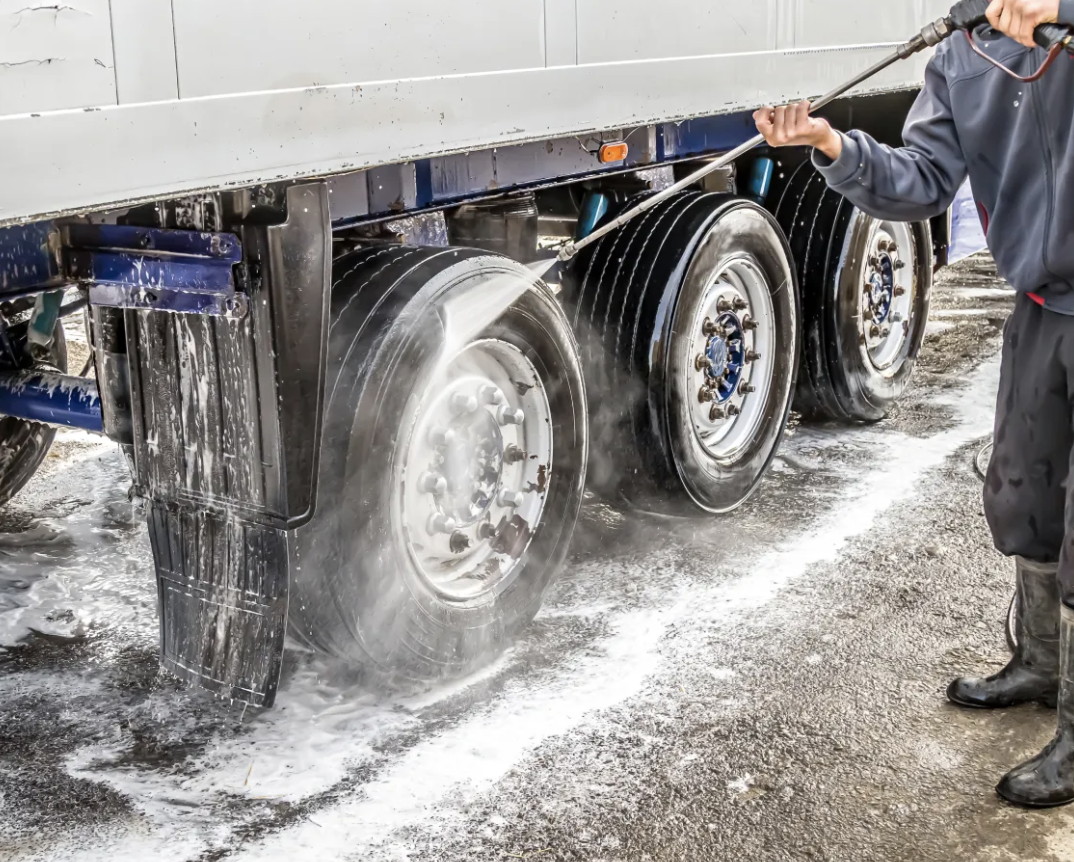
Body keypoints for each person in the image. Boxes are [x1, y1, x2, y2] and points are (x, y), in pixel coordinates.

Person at [754, 0, 1074, 808]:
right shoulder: (961, 60)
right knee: (1023, 500)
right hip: (1044, 308)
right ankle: (1042, 664)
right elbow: (922, 182)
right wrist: (832, 145)